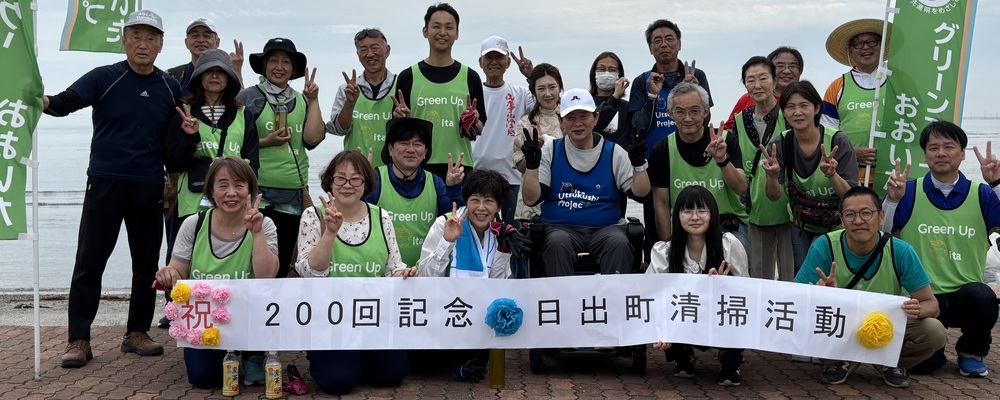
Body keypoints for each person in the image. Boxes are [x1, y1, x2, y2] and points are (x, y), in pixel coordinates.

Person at [42, 10, 182, 368]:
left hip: (149, 185)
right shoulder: (105, 77)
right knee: (90, 262)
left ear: (161, 45)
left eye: (151, 38)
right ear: (124, 40)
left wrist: (173, 181)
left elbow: (178, 140)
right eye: (136, 36)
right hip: (105, 180)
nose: (143, 44)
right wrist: (38, 99)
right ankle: (79, 339)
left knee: (145, 264)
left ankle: (136, 333)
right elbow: (63, 104)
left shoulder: (170, 86)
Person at [794, 186, 947, 388]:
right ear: (841, 219)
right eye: (850, 214)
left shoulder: (900, 251)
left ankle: (889, 361)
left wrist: (917, 309)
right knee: (807, 320)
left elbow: (932, 305)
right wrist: (821, 294)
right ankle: (837, 360)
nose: (858, 221)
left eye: (866, 213)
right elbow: (796, 300)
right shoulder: (825, 245)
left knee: (934, 331)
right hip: (840, 324)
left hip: (884, 327)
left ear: (881, 216)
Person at [882, 121, 1000, 377]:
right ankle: (934, 349)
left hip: (964, 296)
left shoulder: (981, 194)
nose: (941, 153)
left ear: (962, 153)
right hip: (921, 298)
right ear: (925, 155)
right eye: (933, 147)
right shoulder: (908, 190)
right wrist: (892, 199)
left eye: (949, 146)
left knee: (984, 297)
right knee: (925, 366)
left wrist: (997, 184)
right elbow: (883, 233)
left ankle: (971, 352)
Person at [294, 150, 417, 395]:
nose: (347, 185)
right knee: (338, 383)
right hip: (330, 320)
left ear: (366, 183)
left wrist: (404, 274)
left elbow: (393, 268)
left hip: (371, 317)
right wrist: (329, 233)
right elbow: (309, 271)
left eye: (356, 179)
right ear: (330, 181)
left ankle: (358, 357)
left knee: (392, 375)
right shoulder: (314, 215)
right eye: (340, 178)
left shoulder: (381, 217)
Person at [153, 157, 279, 389]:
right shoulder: (194, 224)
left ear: (250, 189)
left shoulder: (265, 224)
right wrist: (168, 274)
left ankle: (253, 354)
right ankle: (225, 354)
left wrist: (258, 234)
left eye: (239, 185)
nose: (231, 193)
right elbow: (177, 271)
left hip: (249, 316)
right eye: (223, 185)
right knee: (204, 378)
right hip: (206, 320)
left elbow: (266, 276)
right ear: (211, 190)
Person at [521, 89, 650, 276]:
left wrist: (639, 164)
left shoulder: (615, 153)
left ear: (596, 118)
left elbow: (641, 194)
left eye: (584, 116)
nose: (578, 123)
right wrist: (532, 165)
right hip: (561, 229)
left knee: (619, 243)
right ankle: (561, 300)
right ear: (561, 122)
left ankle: (613, 299)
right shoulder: (551, 151)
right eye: (570, 118)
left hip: (606, 229)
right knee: (557, 243)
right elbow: (531, 199)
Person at [238, 37, 325, 278]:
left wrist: (314, 100)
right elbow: (236, 142)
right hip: (258, 193)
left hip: (292, 193)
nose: (279, 66)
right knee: (253, 258)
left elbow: (313, 139)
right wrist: (267, 142)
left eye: (286, 61)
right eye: (273, 60)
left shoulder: (302, 98)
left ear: (294, 69)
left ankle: (275, 310)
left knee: (285, 257)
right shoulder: (249, 97)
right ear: (264, 66)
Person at [647, 185, 748, 386]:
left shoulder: (729, 245)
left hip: (719, 315)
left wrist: (724, 287)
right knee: (669, 308)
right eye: (687, 210)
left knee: (737, 312)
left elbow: (748, 292)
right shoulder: (665, 251)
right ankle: (683, 356)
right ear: (677, 215)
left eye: (702, 210)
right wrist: (660, 329)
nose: (695, 217)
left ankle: (731, 363)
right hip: (686, 314)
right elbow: (652, 293)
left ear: (713, 213)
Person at [761, 81, 859, 273]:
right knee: (803, 272)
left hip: (838, 222)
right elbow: (773, 196)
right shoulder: (781, 143)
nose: (797, 112)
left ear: (817, 108)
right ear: (784, 113)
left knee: (839, 272)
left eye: (804, 105)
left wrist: (832, 175)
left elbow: (850, 195)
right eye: (790, 107)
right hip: (801, 223)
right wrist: (772, 177)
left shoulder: (838, 141)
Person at [647, 83, 749, 251]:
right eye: (680, 112)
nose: (687, 118)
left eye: (694, 111)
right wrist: (667, 245)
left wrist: (722, 160)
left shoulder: (724, 140)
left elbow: (741, 188)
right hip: (685, 226)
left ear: (706, 111)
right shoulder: (662, 149)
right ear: (670, 114)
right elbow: (662, 203)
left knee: (735, 261)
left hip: (728, 226)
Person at [392, 2, 488, 179]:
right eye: (436, 26)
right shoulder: (408, 76)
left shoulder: (470, 76)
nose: (442, 32)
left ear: (457, 34)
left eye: (449, 27)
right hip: (416, 167)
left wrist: (473, 120)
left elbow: (480, 127)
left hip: (459, 167)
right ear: (425, 31)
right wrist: (402, 119)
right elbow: (396, 127)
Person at [166, 49, 260, 222]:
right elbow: (174, 163)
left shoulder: (244, 115)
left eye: (220, 72)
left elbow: (252, 164)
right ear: (199, 77)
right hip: (192, 202)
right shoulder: (184, 114)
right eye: (208, 71)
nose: (214, 76)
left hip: (233, 201)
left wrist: (247, 199)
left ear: (230, 78)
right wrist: (190, 138)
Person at [363, 117, 464, 268]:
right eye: (404, 143)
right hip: (384, 273)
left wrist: (453, 188)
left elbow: (454, 223)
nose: (411, 150)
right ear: (390, 149)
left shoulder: (436, 183)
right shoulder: (375, 181)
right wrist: (359, 185)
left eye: (418, 144)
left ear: (425, 152)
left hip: (425, 271)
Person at [472, 36, 534, 277]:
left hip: (514, 179)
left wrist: (530, 75)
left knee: (516, 240)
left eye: (500, 57)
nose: (494, 62)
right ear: (480, 62)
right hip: (477, 178)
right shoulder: (472, 92)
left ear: (508, 62)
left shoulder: (520, 93)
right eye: (490, 57)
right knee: (479, 238)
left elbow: (547, 102)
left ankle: (521, 287)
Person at [731, 56, 793, 280]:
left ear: (775, 81)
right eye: (750, 80)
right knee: (759, 278)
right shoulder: (739, 120)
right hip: (753, 212)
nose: (757, 85)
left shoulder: (788, 117)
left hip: (788, 212)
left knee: (791, 278)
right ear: (744, 85)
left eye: (763, 78)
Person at [822, 19, 892, 190]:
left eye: (872, 41)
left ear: (882, 47)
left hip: (893, 176)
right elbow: (825, 136)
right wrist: (852, 152)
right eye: (858, 44)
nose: (865, 47)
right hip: (850, 177)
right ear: (850, 52)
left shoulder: (898, 82)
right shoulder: (837, 86)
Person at [327, 28, 396, 168]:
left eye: (375, 48)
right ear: (358, 55)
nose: (370, 54)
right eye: (363, 49)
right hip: (356, 171)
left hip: (394, 172)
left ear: (387, 50)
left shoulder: (402, 85)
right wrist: (349, 103)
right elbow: (340, 130)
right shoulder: (346, 89)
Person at [511, 63, 565, 226]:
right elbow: (520, 166)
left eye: (552, 87)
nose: (547, 94)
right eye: (541, 88)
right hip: (533, 203)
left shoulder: (571, 118)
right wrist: (534, 153)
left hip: (565, 197)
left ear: (560, 88)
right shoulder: (526, 123)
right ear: (534, 91)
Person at [723, 47, 804, 130]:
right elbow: (729, 130)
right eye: (780, 66)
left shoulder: (806, 100)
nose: (786, 71)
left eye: (792, 66)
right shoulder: (747, 99)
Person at [167, 17, 244, 97]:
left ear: (217, 42)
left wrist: (236, 72)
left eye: (207, 36)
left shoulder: (226, 75)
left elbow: (241, 104)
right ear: (186, 43)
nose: (201, 40)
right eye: (195, 36)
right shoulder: (172, 75)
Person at [588, 51, 630, 145]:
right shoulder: (586, 102)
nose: (606, 73)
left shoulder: (626, 107)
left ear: (619, 75)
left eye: (612, 70)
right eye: (601, 69)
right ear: (594, 73)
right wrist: (614, 98)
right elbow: (592, 129)